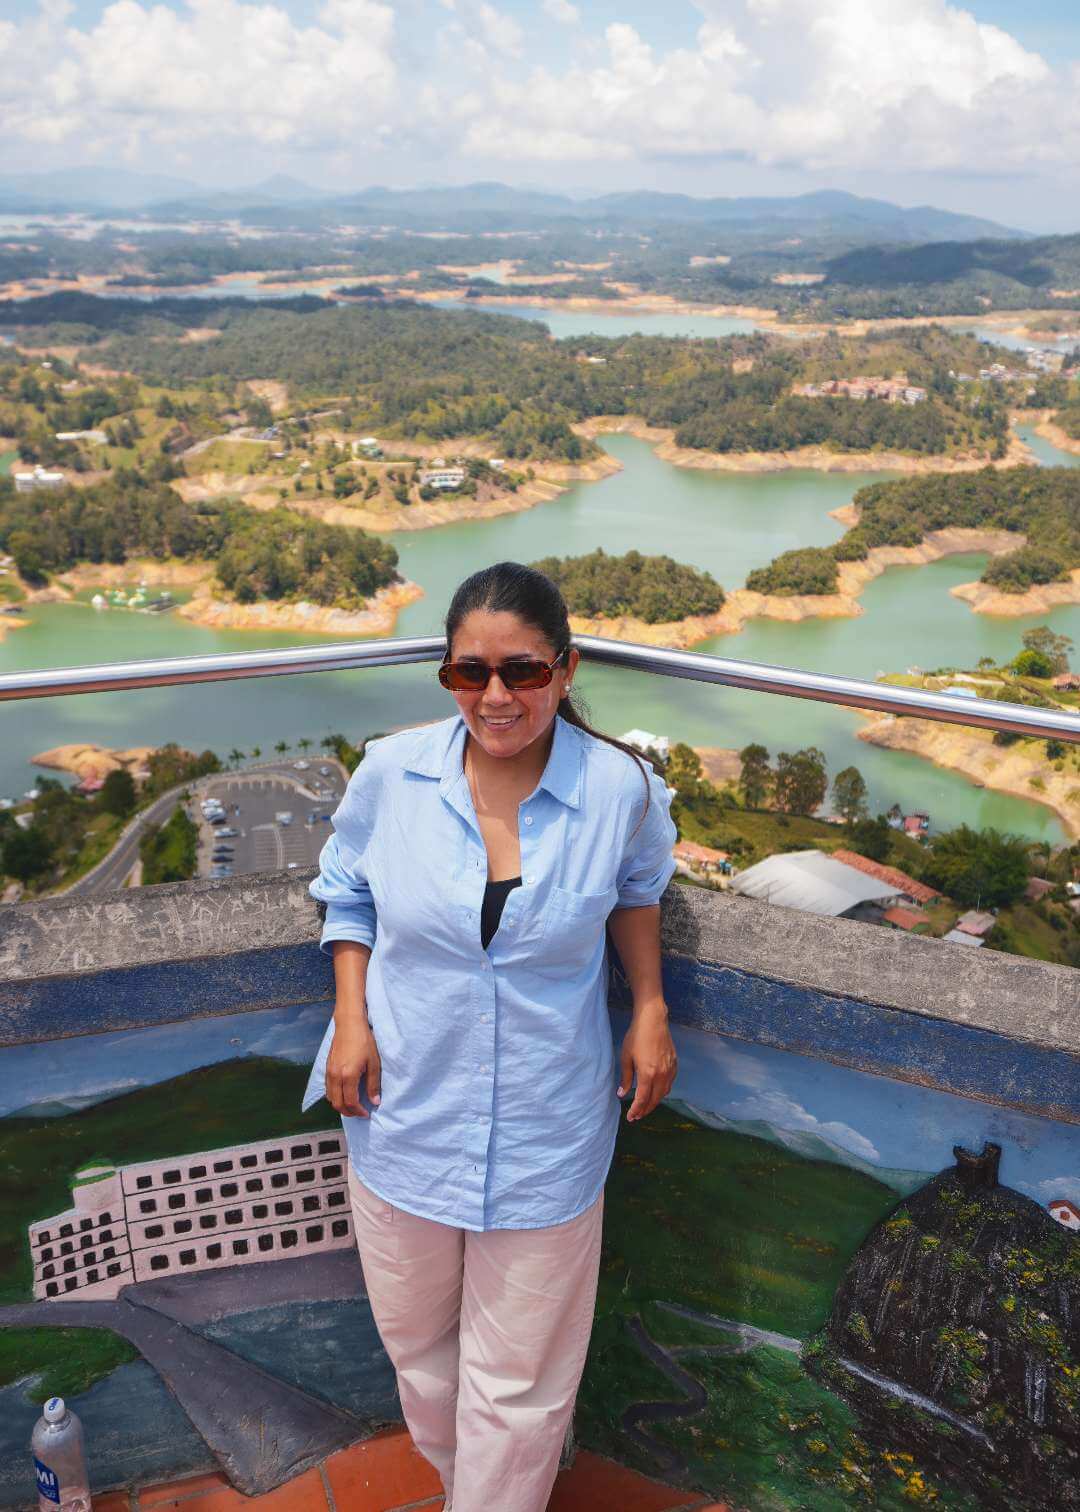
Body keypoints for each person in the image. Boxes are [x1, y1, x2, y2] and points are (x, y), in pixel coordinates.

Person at [302, 560, 678, 1512]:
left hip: (549, 1126)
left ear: (565, 667)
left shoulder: (620, 790)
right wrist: (350, 1020)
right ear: (448, 676)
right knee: (421, 1354)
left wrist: (649, 1007)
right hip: (404, 1113)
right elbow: (346, 891)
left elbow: (638, 893)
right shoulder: (393, 772)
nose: (497, 697)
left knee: (521, 1384)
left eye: (523, 672)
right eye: (470, 674)